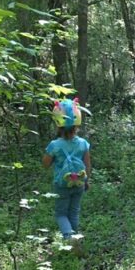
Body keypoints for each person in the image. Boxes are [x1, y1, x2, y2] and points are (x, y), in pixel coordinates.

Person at [43, 98, 91, 245]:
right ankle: (75, 239)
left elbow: (45, 164)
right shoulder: (83, 143)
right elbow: (87, 165)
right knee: (74, 212)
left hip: (61, 184)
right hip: (79, 183)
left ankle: (69, 238)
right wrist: (86, 181)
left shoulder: (54, 145)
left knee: (61, 214)